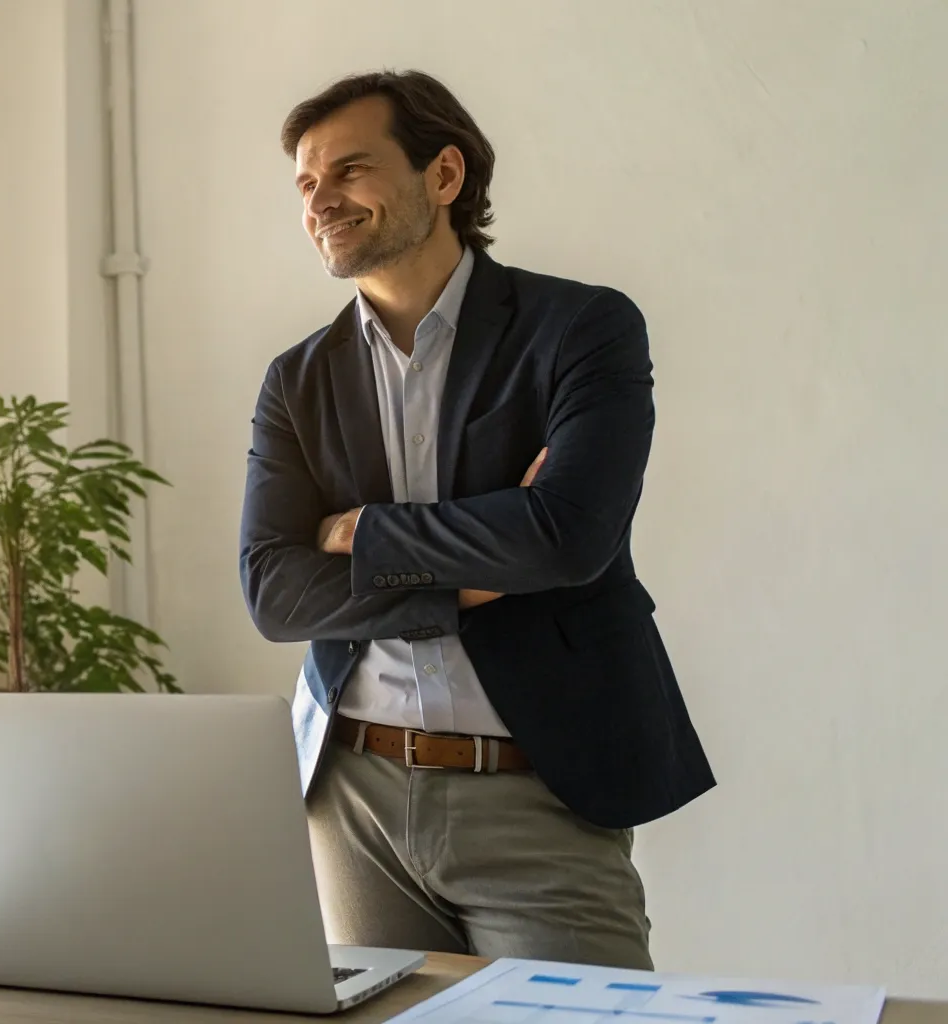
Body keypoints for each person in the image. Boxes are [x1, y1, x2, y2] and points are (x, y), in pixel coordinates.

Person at [239, 70, 713, 969]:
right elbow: (275, 593)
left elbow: (566, 538)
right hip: (353, 793)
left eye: (350, 170)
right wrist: (475, 573)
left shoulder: (582, 329)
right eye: (306, 183)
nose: (320, 201)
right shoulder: (296, 379)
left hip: (539, 791)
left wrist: (358, 532)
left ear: (445, 175)